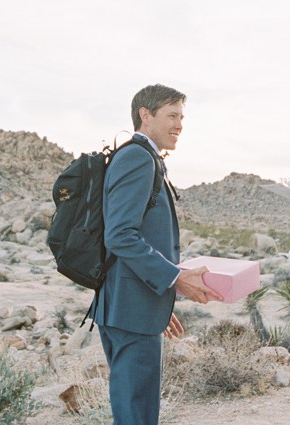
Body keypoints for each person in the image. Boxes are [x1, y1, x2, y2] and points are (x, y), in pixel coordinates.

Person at [92, 84, 222, 425]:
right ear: (145, 115)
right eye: (171, 116)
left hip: (135, 306)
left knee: (137, 409)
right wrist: (176, 277)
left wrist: (162, 295)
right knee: (136, 413)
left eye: (182, 117)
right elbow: (120, 236)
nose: (179, 125)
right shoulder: (137, 157)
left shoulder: (145, 157)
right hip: (130, 310)